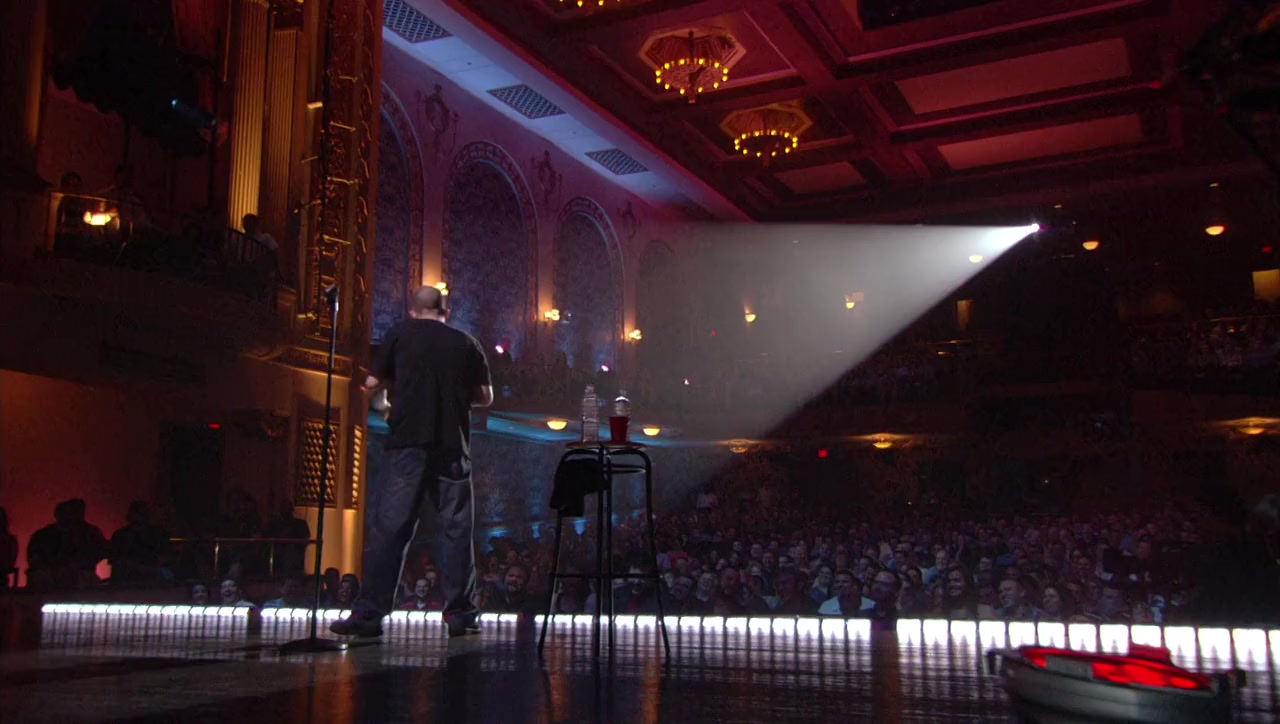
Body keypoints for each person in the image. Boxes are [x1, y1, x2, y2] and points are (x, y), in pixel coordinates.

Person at [331, 285, 492, 638]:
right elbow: (485, 396)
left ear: (412, 310)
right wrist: (451, 394)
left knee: (391, 529)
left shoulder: (398, 335)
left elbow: (371, 383)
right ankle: (460, 615)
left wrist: (386, 404)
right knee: (456, 531)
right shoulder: (467, 343)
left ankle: (369, 614)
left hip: (407, 445)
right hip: (452, 446)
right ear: (446, 311)